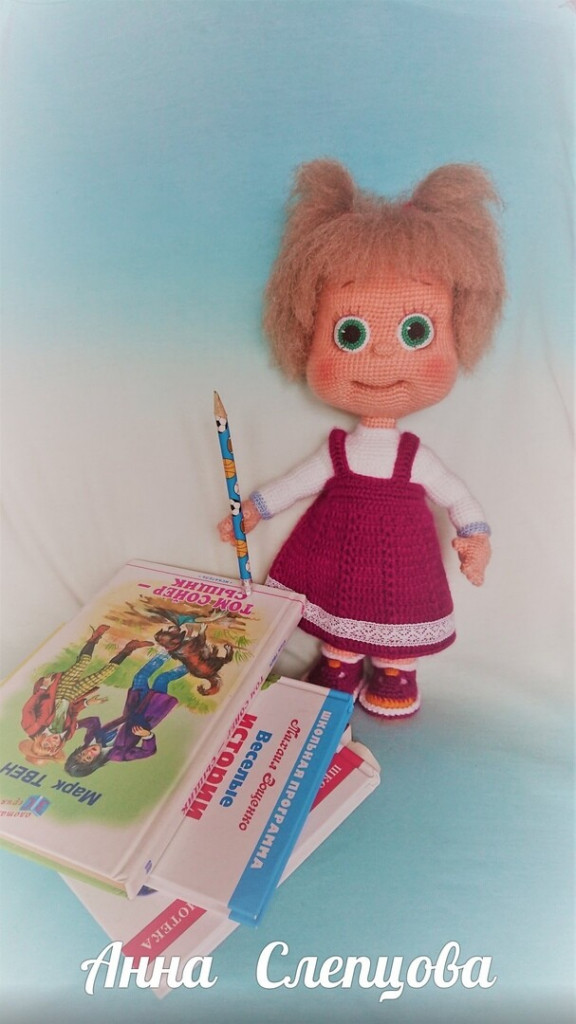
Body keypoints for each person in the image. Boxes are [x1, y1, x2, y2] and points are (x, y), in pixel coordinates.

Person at [219, 160, 504, 719]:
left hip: (404, 564)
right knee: (339, 615)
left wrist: (475, 535)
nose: (381, 354)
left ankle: (396, 670)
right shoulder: (339, 452)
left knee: (400, 618)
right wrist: (254, 508)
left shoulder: (414, 458)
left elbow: (457, 497)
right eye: (350, 333)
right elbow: (297, 483)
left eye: (415, 331)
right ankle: (340, 663)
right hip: (340, 557)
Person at [19, 625, 151, 764]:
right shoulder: (67, 734)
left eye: (46, 744)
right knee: (104, 673)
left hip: (56, 692)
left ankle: (94, 638)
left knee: (82, 663)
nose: (53, 743)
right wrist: (87, 703)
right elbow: (73, 713)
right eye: (53, 748)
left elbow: (29, 707)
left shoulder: (31, 728)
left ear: (38, 741)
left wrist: (44, 687)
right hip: (73, 697)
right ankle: (129, 648)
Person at [64, 652, 185, 776]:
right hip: (149, 712)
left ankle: (166, 653)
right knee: (162, 679)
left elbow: (93, 721)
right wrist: (147, 736)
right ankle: (189, 665)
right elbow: (147, 751)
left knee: (140, 677)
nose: (89, 752)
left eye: (82, 753)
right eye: (88, 758)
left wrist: (72, 726)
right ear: (95, 763)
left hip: (133, 705)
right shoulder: (118, 755)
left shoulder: (90, 739)